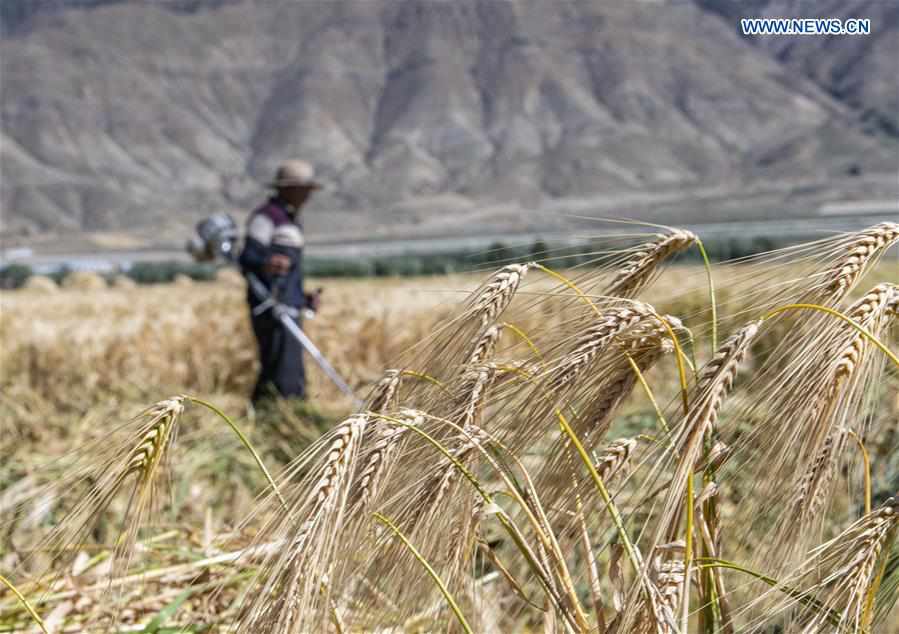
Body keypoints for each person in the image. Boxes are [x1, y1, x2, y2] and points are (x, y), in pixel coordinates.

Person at [239, 159, 322, 403]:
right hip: (271, 307)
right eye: (303, 189)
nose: (307, 195)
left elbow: (290, 274)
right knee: (277, 366)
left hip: (289, 304)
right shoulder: (266, 218)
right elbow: (247, 257)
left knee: (290, 366)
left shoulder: (290, 219)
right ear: (287, 188)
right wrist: (266, 262)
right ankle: (271, 416)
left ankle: (287, 414)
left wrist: (302, 297)